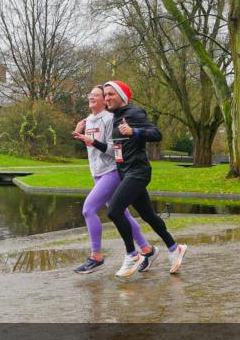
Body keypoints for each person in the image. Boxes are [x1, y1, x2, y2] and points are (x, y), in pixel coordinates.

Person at [100, 80, 187, 277]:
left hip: (138, 172)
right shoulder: (115, 117)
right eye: (105, 95)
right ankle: (175, 248)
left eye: (110, 94)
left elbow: (157, 134)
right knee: (148, 215)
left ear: (122, 96)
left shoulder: (134, 113)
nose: (107, 98)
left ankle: (132, 254)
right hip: (126, 173)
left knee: (114, 211)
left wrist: (135, 132)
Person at [71, 86, 157, 274]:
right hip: (97, 172)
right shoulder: (88, 120)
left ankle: (96, 256)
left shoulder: (110, 119)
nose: (91, 97)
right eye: (90, 94)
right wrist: (79, 136)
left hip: (112, 171)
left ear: (105, 100)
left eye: (97, 95)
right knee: (122, 214)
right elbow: (92, 146)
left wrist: (90, 140)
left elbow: (114, 150)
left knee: (89, 209)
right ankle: (147, 250)